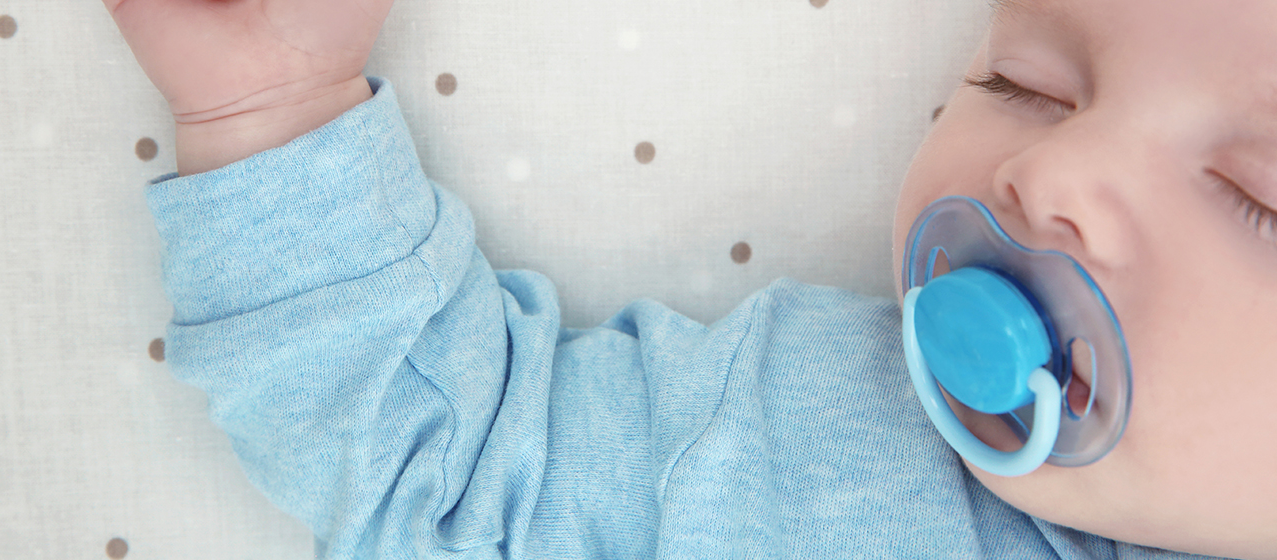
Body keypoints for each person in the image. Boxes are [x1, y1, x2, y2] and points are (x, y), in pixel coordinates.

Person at [103, 0, 1277, 557]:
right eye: (1026, 84)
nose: (1051, 169)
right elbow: (450, 481)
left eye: (1256, 196)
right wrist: (271, 112)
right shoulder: (798, 439)